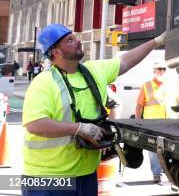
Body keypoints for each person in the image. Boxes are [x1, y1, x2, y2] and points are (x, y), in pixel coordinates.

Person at [21, 23, 166, 196]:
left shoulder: (94, 70)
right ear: (56, 52)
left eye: (75, 36)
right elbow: (35, 124)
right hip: (48, 179)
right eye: (69, 40)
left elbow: (126, 60)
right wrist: (79, 129)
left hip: (86, 175)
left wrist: (158, 41)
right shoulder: (43, 83)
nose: (77, 41)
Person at [135, 60, 176, 184]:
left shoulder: (170, 85)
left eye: (164, 69)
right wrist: (138, 122)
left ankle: (168, 171)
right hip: (152, 124)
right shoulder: (146, 85)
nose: (162, 71)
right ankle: (156, 173)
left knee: (170, 149)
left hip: (170, 123)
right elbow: (139, 105)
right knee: (153, 150)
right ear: (154, 70)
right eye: (159, 69)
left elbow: (177, 103)